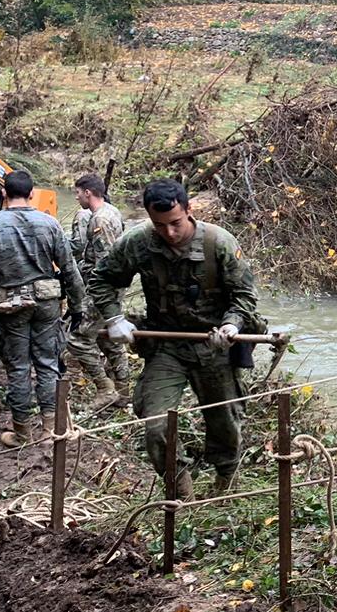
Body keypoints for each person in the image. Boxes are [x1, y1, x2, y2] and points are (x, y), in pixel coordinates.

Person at [89, 180, 262, 500]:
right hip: (164, 344)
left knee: (224, 422)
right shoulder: (138, 242)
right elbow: (102, 278)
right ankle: (181, 490)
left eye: (175, 224)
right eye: (159, 225)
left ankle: (226, 483)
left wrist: (231, 325)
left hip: (214, 345)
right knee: (155, 425)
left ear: (189, 210)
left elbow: (245, 296)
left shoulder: (218, 243)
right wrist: (115, 318)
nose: (169, 233)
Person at [0, 170, 87, 447]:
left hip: (11, 306)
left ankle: (22, 433)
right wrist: (78, 305)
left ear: (3, 194)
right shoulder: (50, 224)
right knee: (47, 364)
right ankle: (49, 431)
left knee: (18, 368)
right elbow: (69, 269)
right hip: (47, 304)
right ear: (32, 193)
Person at [65, 172, 130, 411]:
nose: (77, 198)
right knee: (108, 336)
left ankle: (105, 388)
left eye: (78, 193)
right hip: (116, 287)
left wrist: (94, 291)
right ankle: (123, 392)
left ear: (88, 193)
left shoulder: (99, 220)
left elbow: (105, 261)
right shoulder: (114, 212)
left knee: (78, 340)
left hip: (103, 289)